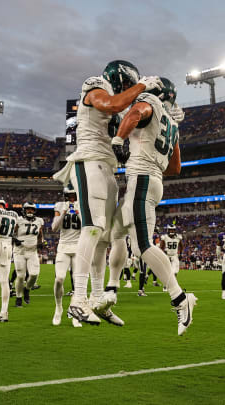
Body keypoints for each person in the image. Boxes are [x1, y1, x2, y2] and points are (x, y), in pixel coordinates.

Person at [52, 60, 163, 326]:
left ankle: (97, 299)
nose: (129, 90)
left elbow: (134, 122)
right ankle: (77, 301)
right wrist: (141, 86)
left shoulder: (119, 102)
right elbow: (111, 104)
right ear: (120, 78)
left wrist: (165, 112)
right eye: (128, 84)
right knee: (92, 228)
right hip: (88, 162)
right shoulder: (95, 85)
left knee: (105, 237)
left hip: (107, 168)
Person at [106, 77, 196, 335]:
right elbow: (176, 168)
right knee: (117, 232)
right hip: (154, 181)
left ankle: (180, 298)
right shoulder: (173, 124)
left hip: (142, 181)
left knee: (143, 246)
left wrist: (119, 139)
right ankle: (110, 290)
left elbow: (136, 112)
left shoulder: (150, 102)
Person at [51, 185, 82, 326]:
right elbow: (54, 227)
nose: (72, 199)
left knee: (77, 282)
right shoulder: (60, 205)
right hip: (63, 246)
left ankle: (75, 312)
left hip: (79, 247)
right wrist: (63, 212)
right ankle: (58, 308)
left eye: (74, 196)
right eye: (70, 196)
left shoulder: (81, 205)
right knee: (59, 279)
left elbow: (87, 226)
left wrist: (79, 212)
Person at [12, 202, 45, 307]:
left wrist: (40, 243)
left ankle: (27, 289)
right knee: (21, 276)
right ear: (24, 210)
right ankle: (18, 298)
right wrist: (14, 239)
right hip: (19, 251)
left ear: (34, 211)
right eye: (28, 209)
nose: (30, 211)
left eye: (31, 209)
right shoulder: (19, 220)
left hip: (32, 251)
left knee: (34, 274)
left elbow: (40, 234)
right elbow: (11, 233)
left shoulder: (39, 221)